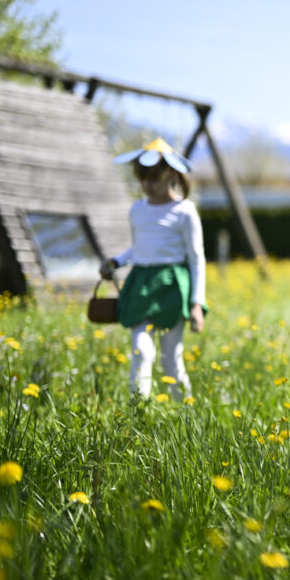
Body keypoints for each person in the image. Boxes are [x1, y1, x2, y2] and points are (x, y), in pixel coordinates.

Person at [101, 139, 206, 401]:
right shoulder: (137, 209)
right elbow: (138, 250)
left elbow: (196, 259)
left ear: (170, 175)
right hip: (142, 285)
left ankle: (184, 413)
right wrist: (116, 262)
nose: (147, 186)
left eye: (153, 180)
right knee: (141, 351)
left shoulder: (185, 211)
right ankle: (139, 413)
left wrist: (196, 303)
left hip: (172, 287)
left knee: (171, 360)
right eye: (142, 180)